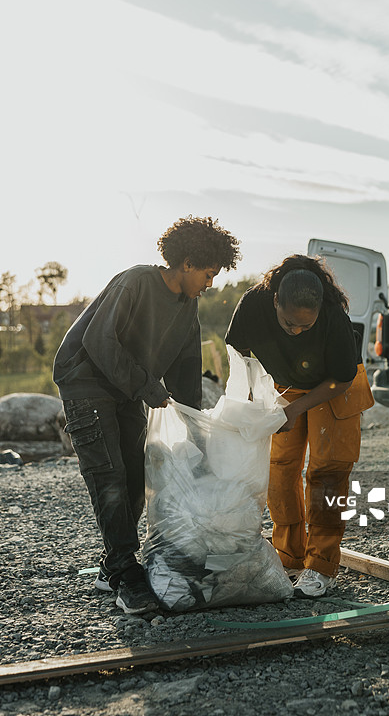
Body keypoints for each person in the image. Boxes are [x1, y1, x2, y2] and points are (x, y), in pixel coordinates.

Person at [53, 216, 241, 614]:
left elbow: (187, 376)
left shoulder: (187, 309)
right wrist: (146, 387)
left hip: (125, 388)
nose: (210, 284)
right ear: (187, 263)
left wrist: (198, 434)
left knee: (138, 475)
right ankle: (124, 572)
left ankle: (114, 564)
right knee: (109, 475)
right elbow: (98, 340)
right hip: (86, 381)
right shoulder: (136, 281)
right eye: (208, 274)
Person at [225, 255, 374, 598]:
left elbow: (340, 377)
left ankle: (321, 566)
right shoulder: (254, 304)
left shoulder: (333, 318)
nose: (297, 331)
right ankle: (288, 557)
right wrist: (248, 400)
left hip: (336, 387)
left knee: (327, 473)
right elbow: (239, 353)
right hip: (287, 384)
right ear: (276, 300)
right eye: (290, 323)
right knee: (278, 469)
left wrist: (296, 411)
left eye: (306, 327)